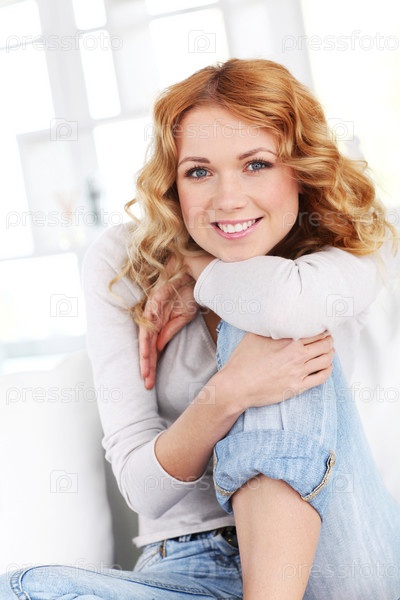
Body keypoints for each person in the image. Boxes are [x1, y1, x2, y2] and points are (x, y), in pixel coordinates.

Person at [0, 58, 398, 600]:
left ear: (300, 170)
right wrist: (227, 394)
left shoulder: (348, 244)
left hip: (340, 554)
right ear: (174, 182)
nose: (227, 198)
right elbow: (143, 488)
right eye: (199, 171)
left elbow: (284, 306)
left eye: (256, 164)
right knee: (26, 589)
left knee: (267, 338)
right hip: (185, 570)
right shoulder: (125, 262)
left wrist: (197, 268)